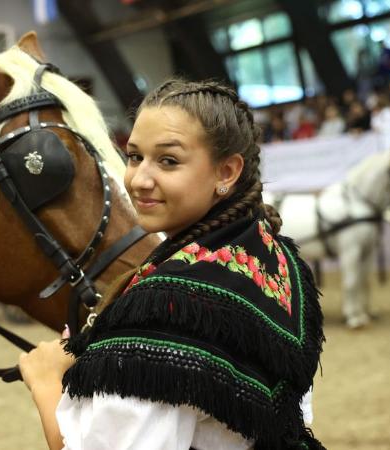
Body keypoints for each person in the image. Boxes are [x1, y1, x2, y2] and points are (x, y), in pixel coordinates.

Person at [18, 79, 325, 450]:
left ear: (226, 172)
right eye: (134, 156)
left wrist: (46, 381)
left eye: (168, 161)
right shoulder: (275, 258)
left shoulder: (168, 308)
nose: (140, 179)